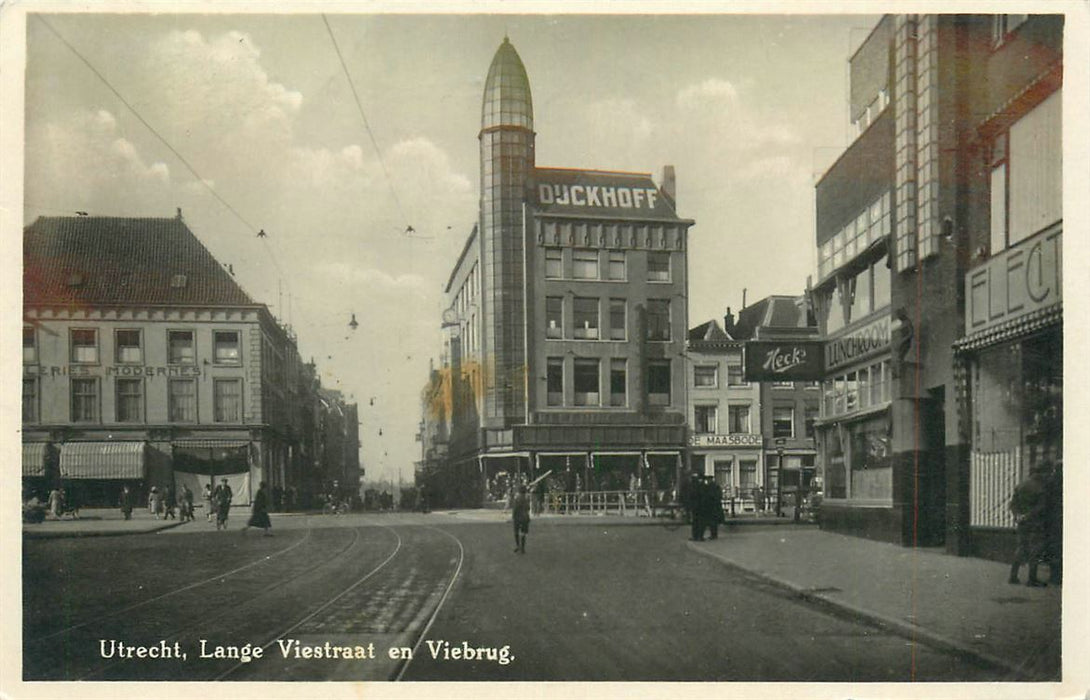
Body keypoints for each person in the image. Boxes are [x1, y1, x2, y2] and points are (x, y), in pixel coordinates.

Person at [1009, 464, 1048, 587]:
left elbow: (1012, 504)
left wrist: (1018, 515)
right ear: (1041, 473)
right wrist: (1029, 515)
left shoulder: (1021, 485)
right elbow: (1041, 507)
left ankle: (1013, 576)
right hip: (1035, 523)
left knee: (1021, 547)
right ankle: (1032, 579)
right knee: (1034, 550)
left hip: (1022, 522)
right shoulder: (1041, 487)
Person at [512, 484, 530, 554]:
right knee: (523, 533)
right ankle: (522, 547)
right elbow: (528, 508)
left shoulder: (517, 498)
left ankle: (518, 546)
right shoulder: (526, 499)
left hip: (518, 517)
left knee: (516, 532)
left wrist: (513, 516)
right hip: (525, 517)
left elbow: (515, 508)